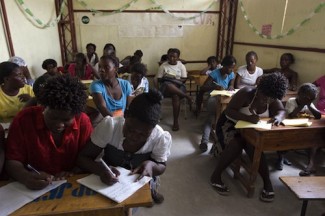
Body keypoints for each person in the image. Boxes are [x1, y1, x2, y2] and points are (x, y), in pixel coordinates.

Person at [77, 89, 172, 204]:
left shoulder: (160, 137)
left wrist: (151, 165)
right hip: (110, 177)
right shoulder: (110, 126)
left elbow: (161, 166)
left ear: (153, 127)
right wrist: (101, 171)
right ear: (125, 115)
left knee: (137, 201)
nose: (134, 137)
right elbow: (83, 158)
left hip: (138, 179)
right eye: (130, 129)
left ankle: (151, 188)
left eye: (143, 134)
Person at [210, 73, 288, 202]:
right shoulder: (246, 92)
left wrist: (278, 117)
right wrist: (247, 118)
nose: (266, 101)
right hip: (230, 123)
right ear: (259, 88)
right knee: (237, 143)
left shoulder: (272, 96)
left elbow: (282, 111)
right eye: (264, 97)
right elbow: (229, 111)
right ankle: (216, 175)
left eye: (270, 99)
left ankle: (267, 183)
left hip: (250, 128)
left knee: (255, 145)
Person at [5, 76, 93, 190]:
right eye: (53, 117)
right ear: (42, 107)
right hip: (32, 188)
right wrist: (25, 177)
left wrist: (74, 171)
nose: (59, 125)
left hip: (70, 186)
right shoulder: (23, 120)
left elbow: (87, 157)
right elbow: (12, 160)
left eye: (66, 120)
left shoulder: (83, 121)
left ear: (75, 114)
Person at [196, 55, 236, 152]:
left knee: (227, 118)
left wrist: (230, 87)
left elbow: (231, 84)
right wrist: (214, 87)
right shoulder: (214, 74)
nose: (231, 70)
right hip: (214, 98)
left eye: (233, 68)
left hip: (225, 99)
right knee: (210, 118)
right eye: (229, 67)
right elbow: (203, 88)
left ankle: (223, 141)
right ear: (224, 66)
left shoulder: (231, 74)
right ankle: (204, 142)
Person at [282, 83, 321, 176]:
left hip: (304, 129)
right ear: (299, 95)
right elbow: (291, 115)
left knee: (314, 141)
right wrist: (302, 105)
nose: (309, 101)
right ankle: (281, 157)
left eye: (312, 99)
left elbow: (318, 116)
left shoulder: (309, 103)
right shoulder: (292, 101)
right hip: (290, 129)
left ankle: (311, 164)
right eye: (307, 99)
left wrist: (310, 105)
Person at [154, 48, 193, 131]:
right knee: (168, 85)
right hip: (166, 88)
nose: (172, 58)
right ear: (167, 56)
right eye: (170, 56)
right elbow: (159, 79)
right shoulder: (163, 66)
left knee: (176, 96)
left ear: (178, 57)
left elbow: (184, 79)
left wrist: (175, 79)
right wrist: (168, 78)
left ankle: (175, 121)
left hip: (179, 86)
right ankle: (186, 96)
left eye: (174, 57)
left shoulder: (181, 66)